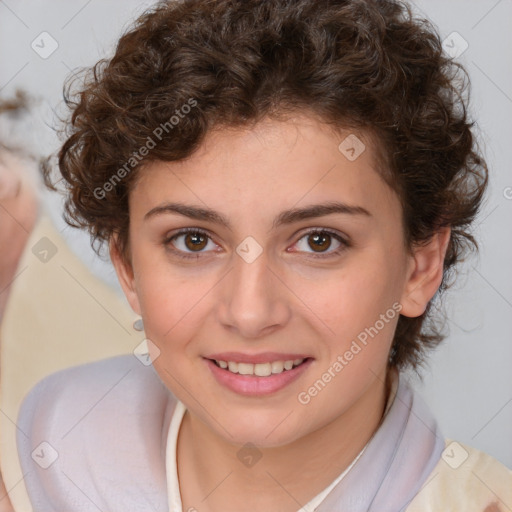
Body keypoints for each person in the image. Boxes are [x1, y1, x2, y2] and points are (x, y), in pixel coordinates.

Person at [15, 0, 512, 511]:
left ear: (420, 265)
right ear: (128, 269)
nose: (250, 313)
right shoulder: (36, 461)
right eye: (193, 241)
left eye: (320, 241)